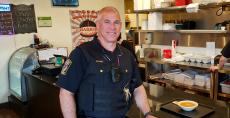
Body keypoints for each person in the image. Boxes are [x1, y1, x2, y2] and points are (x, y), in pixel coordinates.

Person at [56, 6, 156, 118]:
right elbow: (66, 92)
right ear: (98, 26)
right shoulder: (81, 54)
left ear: (121, 26)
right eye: (107, 22)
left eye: (116, 22)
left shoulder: (127, 55)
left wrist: (148, 114)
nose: (112, 27)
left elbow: (138, 87)